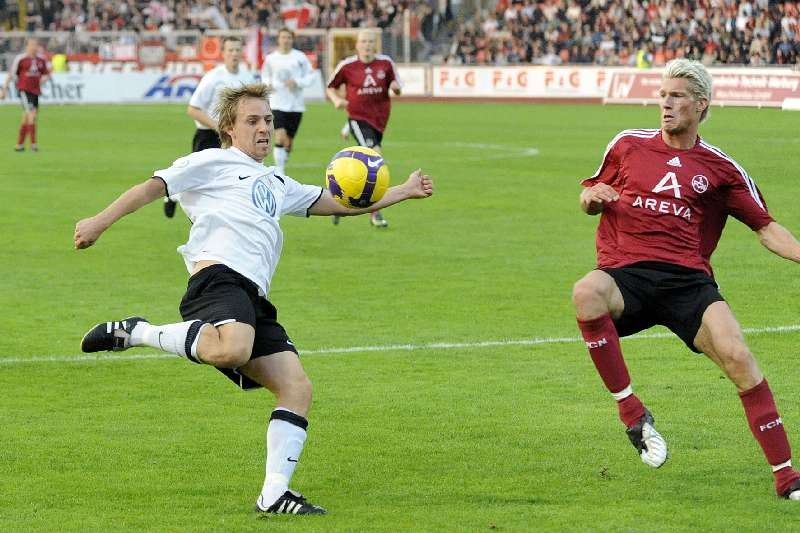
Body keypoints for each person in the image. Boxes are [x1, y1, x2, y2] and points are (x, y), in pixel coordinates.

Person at [74, 83, 434, 515]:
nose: (264, 128)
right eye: (253, 120)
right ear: (229, 128)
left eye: (267, 119)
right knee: (232, 348)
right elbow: (150, 189)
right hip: (218, 277)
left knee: (296, 387)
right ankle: (139, 332)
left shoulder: (277, 182)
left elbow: (337, 203)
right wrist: (100, 220)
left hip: (253, 296)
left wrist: (404, 192)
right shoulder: (212, 161)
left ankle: (274, 494)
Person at [572, 58, 800, 499]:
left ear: (701, 105)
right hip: (627, 274)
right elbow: (589, 193)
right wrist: (591, 199)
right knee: (586, 292)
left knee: (739, 356)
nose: (666, 104)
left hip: (687, 283)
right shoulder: (626, 145)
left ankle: (788, 477)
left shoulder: (721, 168)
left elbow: (766, 227)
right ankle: (632, 414)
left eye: (676, 96)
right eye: (662, 95)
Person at [163, 36, 258, 219]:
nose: (234, 54)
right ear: (223, 53)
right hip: (208, 135)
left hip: (233, 138)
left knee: (228, 181)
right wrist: (217, 126)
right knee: (197, 182)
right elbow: (192, 109)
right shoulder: (214, 77)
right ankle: (174, 196)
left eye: (238, 50)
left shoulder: (246, 77)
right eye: (230, 50)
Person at [326, 29, 401, 228]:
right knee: (375, 159)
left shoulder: (386, 63)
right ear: (357, 45)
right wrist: (336, 100)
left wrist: (395, 87)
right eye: (363, 41)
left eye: (370, 41)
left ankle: (338, 204)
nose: (367, 45)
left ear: (375, 44)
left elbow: (395, 83)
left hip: (379, 121)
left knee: (367, 165)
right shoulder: (348, 66)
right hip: (357, 119)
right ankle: (375, 212)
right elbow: (330, 86)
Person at [261, 27, 316, 177]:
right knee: (280, 137)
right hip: (276, 103)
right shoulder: (271, 58)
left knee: (288, 143)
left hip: (295, 105)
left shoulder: (300, 57)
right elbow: (264, 75)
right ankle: (279, 170)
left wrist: (297, 82)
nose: (285, 40)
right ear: (278, 39)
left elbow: (311, 77)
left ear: (292, 40)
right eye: (283, 37)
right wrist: (267, 84)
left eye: (288, 37)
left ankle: (282, 162)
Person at [0, 37, 50, 152]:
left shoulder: (41, 60)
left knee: (27, 117)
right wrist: (4, 89)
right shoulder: (21, 59)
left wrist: (42, 81)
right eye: (32, 45)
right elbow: (11, 74)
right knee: (31, 114)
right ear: (27, 46)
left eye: (36, 45)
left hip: (35, 91)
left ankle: (20, 144)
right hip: (24, 90)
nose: (34, 47)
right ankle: (33, 145)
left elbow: (46, 74)